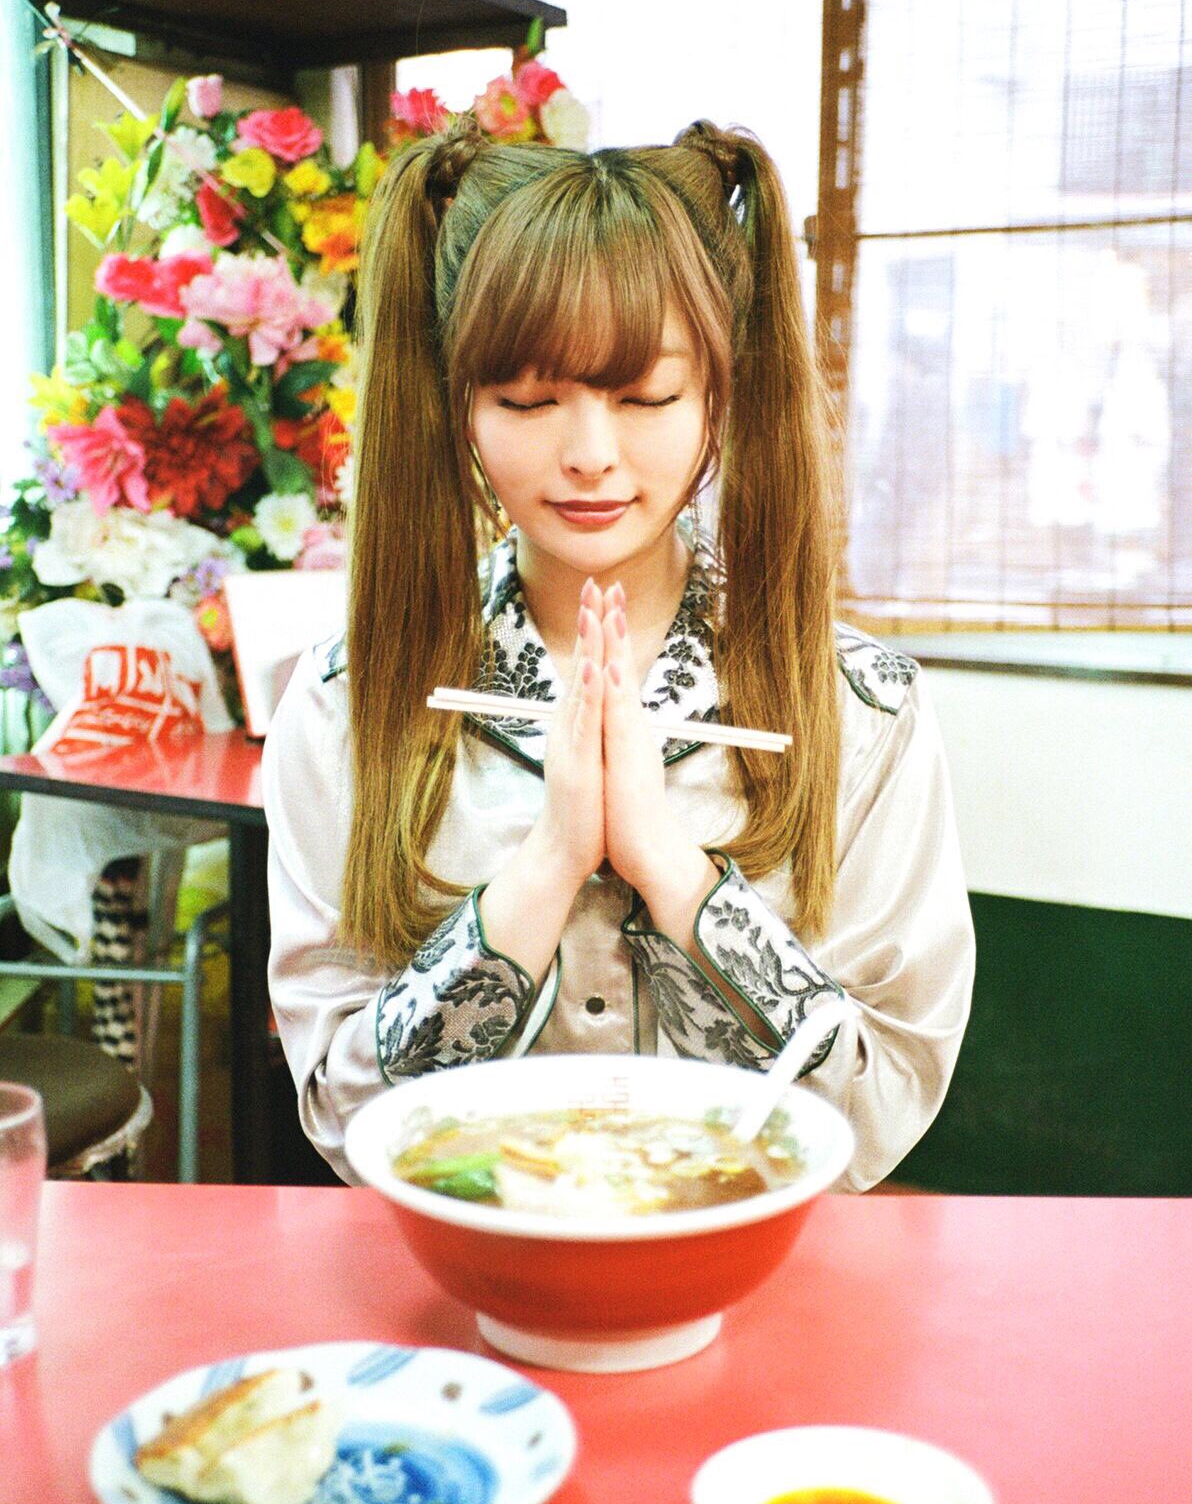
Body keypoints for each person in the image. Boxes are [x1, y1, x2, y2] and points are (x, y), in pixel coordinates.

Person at [263, 118, 975, 1191]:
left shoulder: (859, 709)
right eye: (526, 400)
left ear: (720, 392)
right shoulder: (342, 706)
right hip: (465, 1271)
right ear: (458, 403)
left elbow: (882, 1106)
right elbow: (341, 1113)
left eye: (646, 397)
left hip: (752, 1271)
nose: (590, 455)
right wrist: (548, 865)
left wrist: (671, 871)